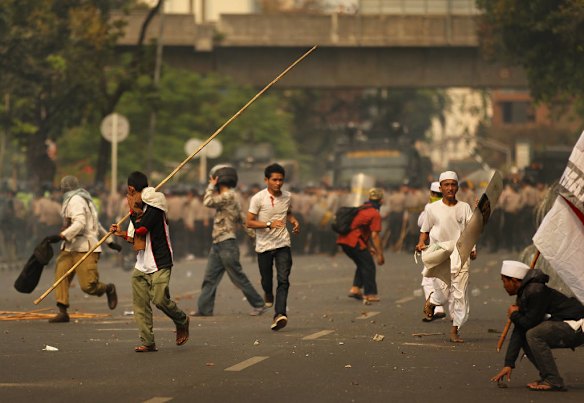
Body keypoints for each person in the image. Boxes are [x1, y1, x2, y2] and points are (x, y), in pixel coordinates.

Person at [110, 171, 189, 352]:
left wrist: (132, 211)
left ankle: (182, 320)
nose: (128, 197)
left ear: (131, 189)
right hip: (141, 264)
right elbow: (133, 237)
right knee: (140, 305)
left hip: (160, 261)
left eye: (129, 193)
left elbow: (142, 229)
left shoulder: (155, 207)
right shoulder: (139, 209)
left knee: (160, 299)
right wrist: (119, 232)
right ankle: (148, 341)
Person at [491, 260, 584, 391]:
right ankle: (549, 376)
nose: (503, 285)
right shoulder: (525, 292)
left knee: (534, 334)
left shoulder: (535, 290)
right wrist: (509, 363)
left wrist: (514, 315)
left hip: (577, 326)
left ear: (513, 280)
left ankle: (552, 379)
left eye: (504, 281)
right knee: (528, 334)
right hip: (563, 324)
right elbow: (520, 329)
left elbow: (529, 323)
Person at [192, 165, 267, 317]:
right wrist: (253, 236)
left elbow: (207, 201)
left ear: (218, 180)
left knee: (237, 277)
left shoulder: (229, 196)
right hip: (218, 243)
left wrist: (210, 186)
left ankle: (259, 303)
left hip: (227, 243)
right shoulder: (233, 197)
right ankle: (204, 308)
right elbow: (242, 218)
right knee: (210, 278)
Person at [46, 175, 121, 323]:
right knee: (61, 277)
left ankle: (107, 288)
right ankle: (62, 311)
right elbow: (96, 224)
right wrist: (109, 241)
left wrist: (62, 236)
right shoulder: (78, 199)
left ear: (65, 189)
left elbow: (80, 223)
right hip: (69, 247)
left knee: (88, 286)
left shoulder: (76, 200)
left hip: (85, 248)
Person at [415, 170, 475, 343]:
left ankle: (455, 330)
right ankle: (433, 301)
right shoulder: (432, 208)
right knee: (443, 294)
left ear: (457, 187)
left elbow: (471, 229)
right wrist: (421, 243)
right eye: (446, 185)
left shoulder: (464, 207)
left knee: (460, 294)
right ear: (441, 187)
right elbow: (424, 230)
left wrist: (473, 249)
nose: (450, 188)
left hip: (460, 253)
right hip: (440, 253)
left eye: (453, 184)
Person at [246, 163, 300, 331]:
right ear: (266, 180)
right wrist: (269, 224)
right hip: (264, 246)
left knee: (283, 280)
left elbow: (287, 212)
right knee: (266, 280)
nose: (278, 183)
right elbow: (249, 222)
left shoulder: (287, 196)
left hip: (283, 243)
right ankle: (268, 293)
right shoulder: (257, 199)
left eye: (281, 180)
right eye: (274, 180)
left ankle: (280, 314)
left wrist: (293, 221)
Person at [336, 187, 385, 304]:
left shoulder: (362, 208)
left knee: (362, 263)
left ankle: (356, 288)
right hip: (353, 241)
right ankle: (370, 294)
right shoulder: (374, 214)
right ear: (381, 200)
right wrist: (380, 254)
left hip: (344, 240)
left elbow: (362, 230)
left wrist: (368, 248)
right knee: (369, 266)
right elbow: (375, 236)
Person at [417, 181, 446, 321]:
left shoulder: (430, 207)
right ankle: (455, 313)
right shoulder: (456, 205)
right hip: (451, 247)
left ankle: (437, 308)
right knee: (450, 279)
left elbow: (421, 223)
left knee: (428, 279)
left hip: (434, 247)